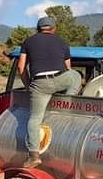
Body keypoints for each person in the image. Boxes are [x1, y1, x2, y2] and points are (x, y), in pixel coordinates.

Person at [18, 15, 83, 168]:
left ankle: (33, 155)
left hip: (39, 83)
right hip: (61, 78)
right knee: (75, 76)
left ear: (38, 29)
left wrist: (29, 86)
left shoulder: (28, 41)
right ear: (54, 29)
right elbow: (68, 68)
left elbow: (21, 67)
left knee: (34, 119)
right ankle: (66, 105)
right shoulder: (62, 42)